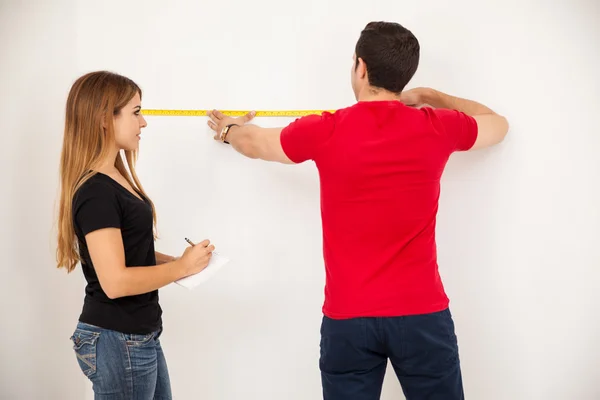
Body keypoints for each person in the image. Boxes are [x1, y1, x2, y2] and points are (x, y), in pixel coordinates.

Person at [206, 21, 508, 400]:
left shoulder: (325, 129)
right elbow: (498, 125)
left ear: (360, 67)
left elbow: (254, 143)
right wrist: (433, 96)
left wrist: (230, 130)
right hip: (421, 314)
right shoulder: (437, 126)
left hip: (348, 319)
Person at [56, 70, 215, 399]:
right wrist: (181, 269)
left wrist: (179, 261)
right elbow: (114, 282)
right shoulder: (97, 191)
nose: (143, 123)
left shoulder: (113, 175)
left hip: (136, 335)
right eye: (136, 112)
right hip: (118, 338)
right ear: (104, 118)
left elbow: (126, 248)